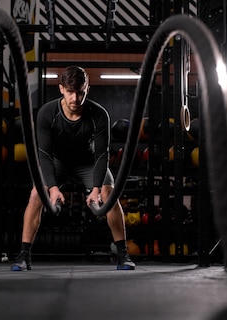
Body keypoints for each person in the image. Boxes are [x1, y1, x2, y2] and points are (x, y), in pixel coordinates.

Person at [11, 65, 135, 271]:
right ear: (61, 89)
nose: (75, 99)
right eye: (70, 92)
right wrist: (52, 187)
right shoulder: (47, 113)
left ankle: (123, 255)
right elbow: (44, 155)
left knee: (109, 193)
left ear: (87, 89)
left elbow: (102, 154)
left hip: (88, 162)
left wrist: (95, 189)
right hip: (57, 162)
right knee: (35, 195)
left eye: (80, 92)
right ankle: (24, 256)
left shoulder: (99, 114)